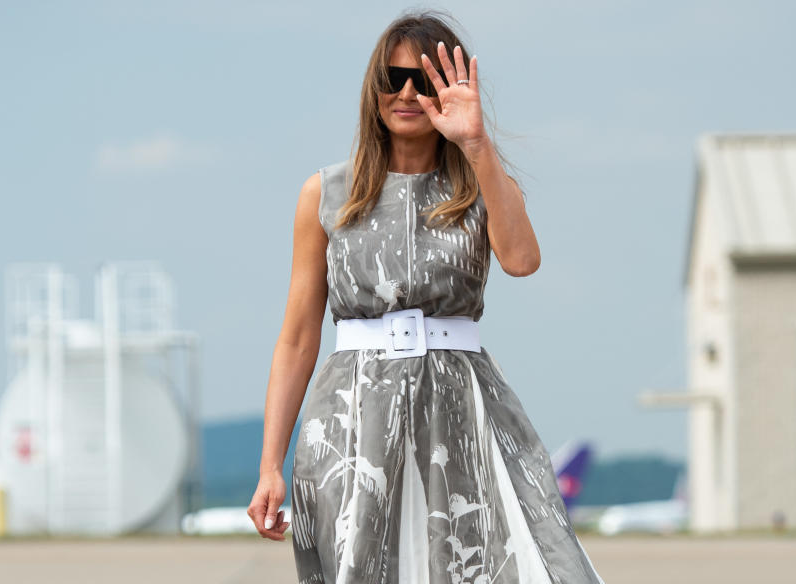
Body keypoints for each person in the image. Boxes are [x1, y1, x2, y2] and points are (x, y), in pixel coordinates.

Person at [248, 9, 607, 584]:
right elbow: (296, 339)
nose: (408, 93)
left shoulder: (482, 185)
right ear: (375, 89)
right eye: (394, 79)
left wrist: (476, 142)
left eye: (428, 80)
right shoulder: (325, 193)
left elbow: (522, 261)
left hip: (462, 404)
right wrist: (271, 465)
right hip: (352, 416)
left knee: (503, 563)